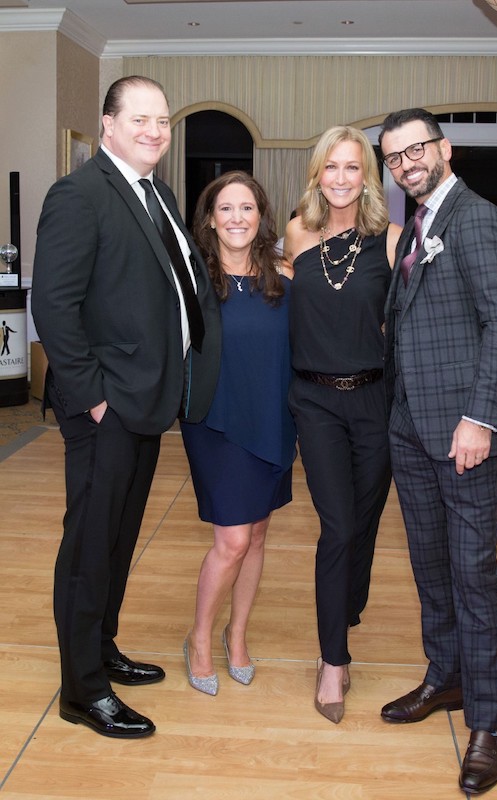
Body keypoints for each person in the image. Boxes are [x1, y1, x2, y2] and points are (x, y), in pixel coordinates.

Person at [31, 76, 220, 738]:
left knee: (116, 540)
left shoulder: (155, 193)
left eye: (163, 120)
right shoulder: (79, 195)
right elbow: (52, 306)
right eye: (139, 118)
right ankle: (82, 691)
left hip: (146, 403)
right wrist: (94, 398)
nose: (154, 130)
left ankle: (100, 649)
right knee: (88, 547)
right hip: (105, 408)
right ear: (107, 125)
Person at [378, 108, 497, 794]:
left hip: (462, 432)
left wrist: (479, 418)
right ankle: (443, 680)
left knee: (472, 576)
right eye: (394, 158)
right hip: (409, 428)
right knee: (430, 567)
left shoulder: (475, 216)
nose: (405, 164)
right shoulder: (417, 223)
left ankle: (486, 725)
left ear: (443, 148)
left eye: (414, 151)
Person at [284, 126, 400, 724]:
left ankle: (346, 608)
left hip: (373, 403)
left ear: (367, 177)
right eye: (331, 167)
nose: (340, 178)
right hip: (315, 403)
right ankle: (334, 659)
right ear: (317, 174)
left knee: (363, 523)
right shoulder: (296, 234)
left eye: (352, 168)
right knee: (337, 527)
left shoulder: (391, 241)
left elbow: (408, 330)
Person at [180, 171, 296, 696]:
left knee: (259, 535)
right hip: (218, 421)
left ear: (261, 216)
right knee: (233, 538)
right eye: (225, 209)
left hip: (273, 416)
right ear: (209, 218)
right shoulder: (192, 280)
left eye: (246, 208)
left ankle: (238, 633)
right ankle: (200, 639)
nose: (236, 218)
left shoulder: (283, 277)